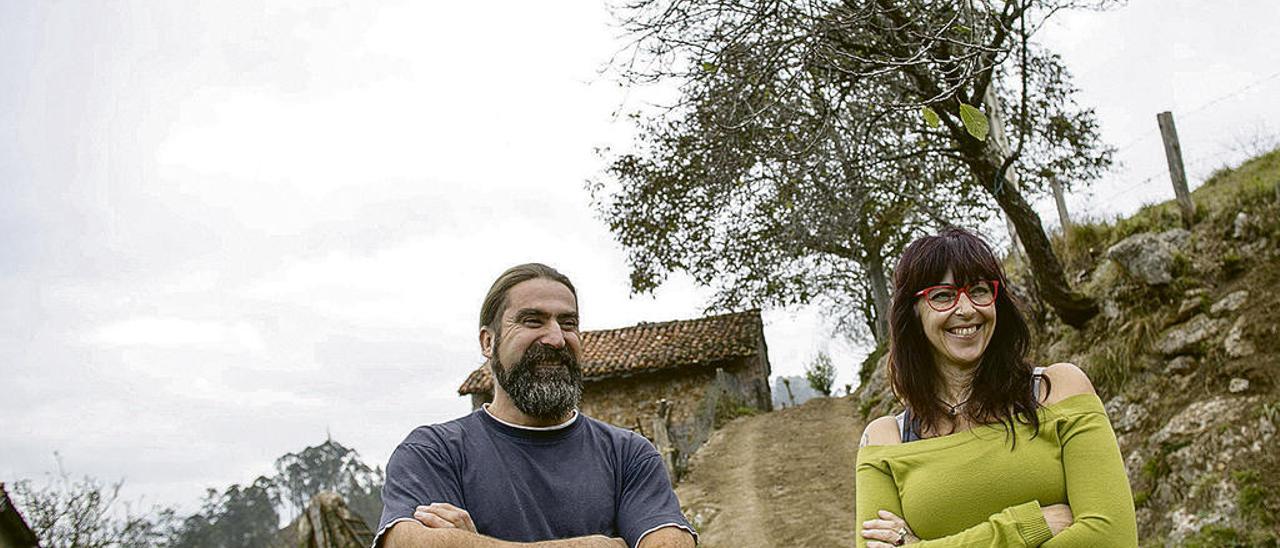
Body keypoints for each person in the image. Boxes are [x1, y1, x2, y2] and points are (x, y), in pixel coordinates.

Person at [375, 263, 697, 548]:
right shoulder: (434, 452)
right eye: (532, 321)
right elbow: (408, 542)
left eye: (569, 323)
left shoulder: (628, 454)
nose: (556, 338)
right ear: (488, 342)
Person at [855, 228, 1137, 547]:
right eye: (943, 295)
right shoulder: (886, 439)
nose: (966, 309)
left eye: (978, 290)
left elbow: (1112, 538)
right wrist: (1025, 526)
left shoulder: (1057, 390)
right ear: (914, 312)